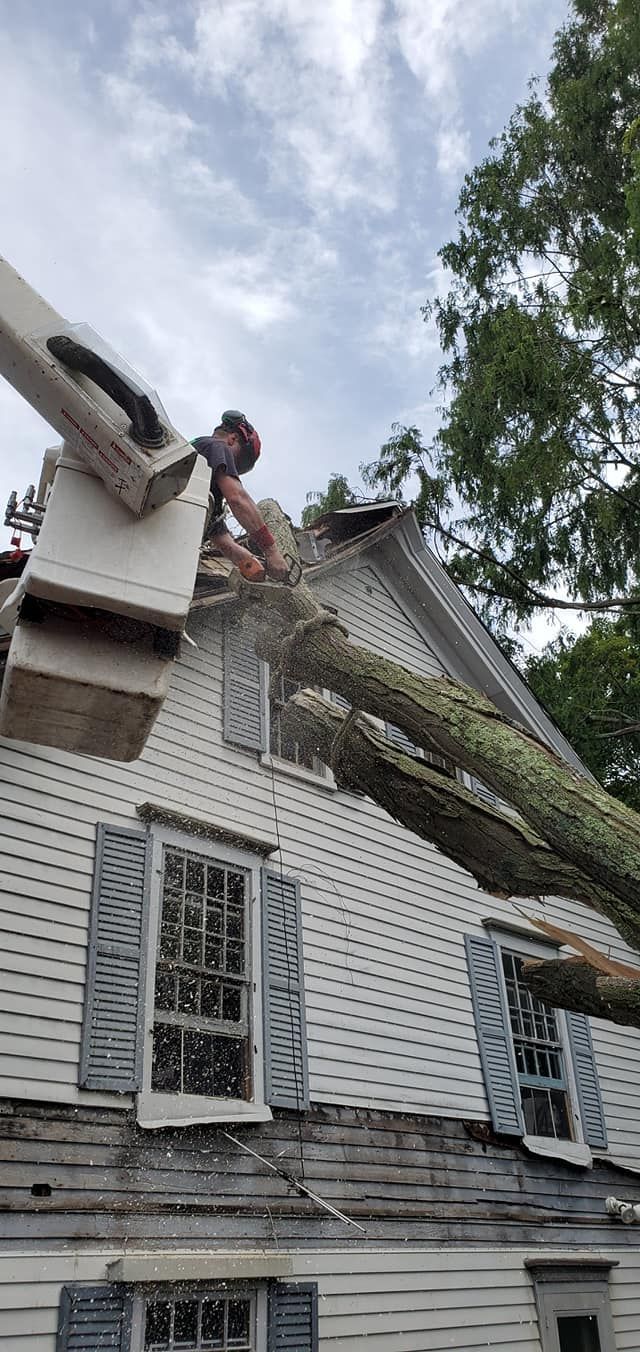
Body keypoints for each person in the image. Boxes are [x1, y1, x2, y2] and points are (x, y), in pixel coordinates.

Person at [192, 410, 290, 581]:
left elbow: (224, 542)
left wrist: (253, 564)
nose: (232, 469)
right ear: (232, 439)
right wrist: (272, 551)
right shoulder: (217, 446)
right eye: (235, 464)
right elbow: (237, 499)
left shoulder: (203, 489)